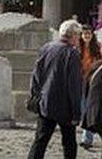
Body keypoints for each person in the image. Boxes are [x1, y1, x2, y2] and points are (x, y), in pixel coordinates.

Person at [29, 20, 83, 159]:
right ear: (73, 35)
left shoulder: (46, 48)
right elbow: (74, 85)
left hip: (45, 103)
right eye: (78, 35)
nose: (79, 39)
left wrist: (35, 96)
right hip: (65, 107)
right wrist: (76, 112)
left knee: (40, 141)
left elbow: (36, 75)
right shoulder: (72, 53)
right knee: (69, 143)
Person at [77, 25, 100, 151]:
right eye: (84, 33)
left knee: (88, 109)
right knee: (82, 109)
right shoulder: (77, 49)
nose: (87, 36)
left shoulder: (97, 48)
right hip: (80, 82)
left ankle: (87, 139)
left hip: (92, 82)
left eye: (89, 33)